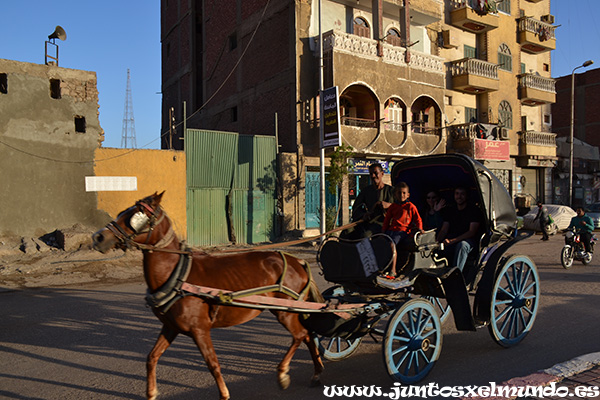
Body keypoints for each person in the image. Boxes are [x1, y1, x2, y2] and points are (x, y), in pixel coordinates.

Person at [436, 186, 483, 272]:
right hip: (452, 238)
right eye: (457, 194)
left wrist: (452, 241)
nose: (459, 196)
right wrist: (437, 242)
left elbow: (471, 232)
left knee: (462, 246)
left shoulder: (474, 210)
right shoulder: (451, 210)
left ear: (466, 196)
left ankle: (456, 276)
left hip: (469, 240)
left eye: (462, 194)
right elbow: (444, 229)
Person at [382, 182, 423, 276]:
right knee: (380, 243)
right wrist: (383, 231)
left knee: (392, 245)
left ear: (408, 195)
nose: (401, 195)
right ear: (395, 194)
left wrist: (420, 229)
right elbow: (387, 220)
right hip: (391, 230)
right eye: (399, 193)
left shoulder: (410, 207)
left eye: (404, 193)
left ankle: (393, 270)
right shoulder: (393, 206)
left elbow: (418, 219)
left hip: (402, 232)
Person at [347, 162, 394, 238]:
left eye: (375, 173)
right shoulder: (366, 191)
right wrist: (363, 215)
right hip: (368, 222)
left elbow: (402, 207)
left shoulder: (391, 191)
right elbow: (356, 207)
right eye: (371, 174)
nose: (373, 176)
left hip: (384, 224)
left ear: (382, 174)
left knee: (366, 235)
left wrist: (389, 205)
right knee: (346, 232)